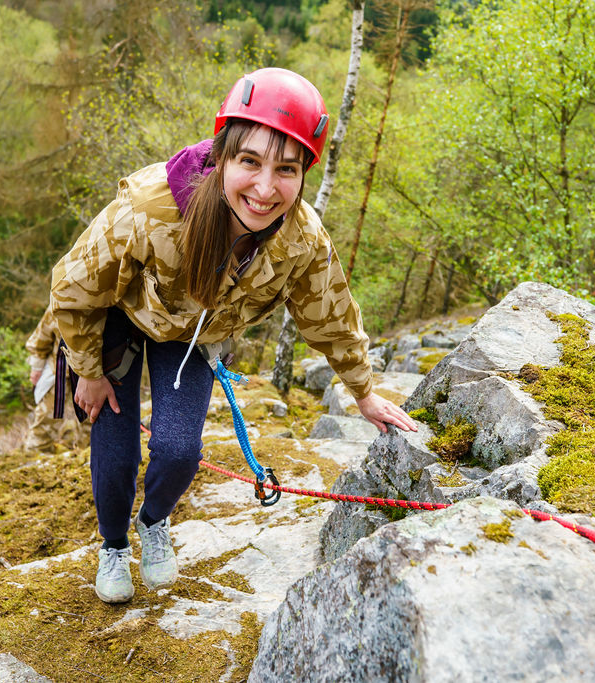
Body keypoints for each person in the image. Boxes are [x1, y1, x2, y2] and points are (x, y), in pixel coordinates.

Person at [50, 67, 417, 604]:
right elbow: (74, 288)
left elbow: (330, 314)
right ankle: (113, 546)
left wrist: (363, 392)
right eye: (250, 162)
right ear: (222, 156)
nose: (266, 189)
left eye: (286, 169)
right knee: (117, 447)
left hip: (193, 336)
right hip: (119, 320)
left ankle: (154, 523)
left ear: (304, 173)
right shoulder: (151, 208)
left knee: (178, 449)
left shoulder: (302, 239)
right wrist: (85, 372)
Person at [24, 305, 89, 452]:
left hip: (94, 371)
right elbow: (42, 337)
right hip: (59, 369)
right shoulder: (58, 303)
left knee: (92, 415)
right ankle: (37, 450)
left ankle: (88, 452)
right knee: (48, 413)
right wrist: (37, 368)